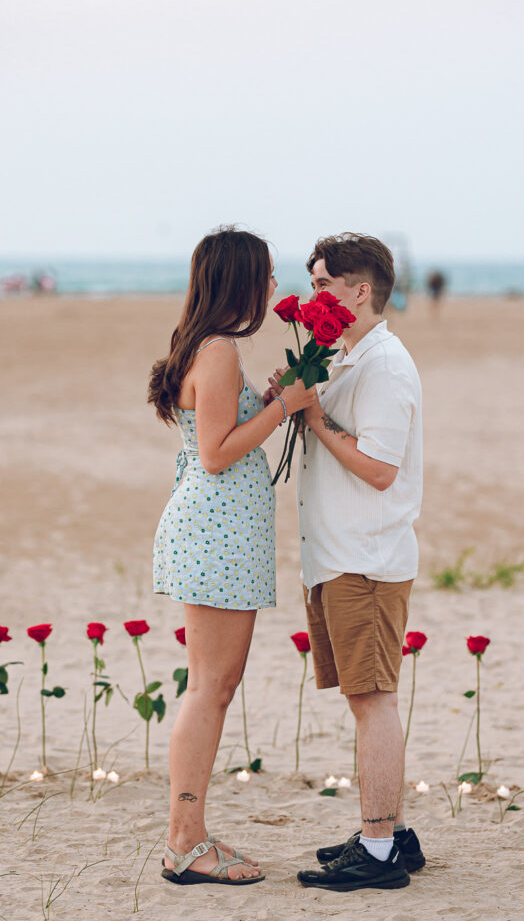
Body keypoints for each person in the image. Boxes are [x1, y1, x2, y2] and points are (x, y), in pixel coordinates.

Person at [148, 227, 315, 886]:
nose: (275, 286)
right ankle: (184, 842)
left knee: (211, 686)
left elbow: (216, 439)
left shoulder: (208, 346)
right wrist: (284, 407)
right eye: (267, 274)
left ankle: (187, 837)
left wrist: (275, 400)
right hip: (214, 530)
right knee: (210, 688)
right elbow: (218, 452)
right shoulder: (216, 350)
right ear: (241, 280)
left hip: (218, 530)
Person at [274, 232, 425, 892]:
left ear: (359, 291)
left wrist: (315, 417)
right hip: (337, 555)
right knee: (365, 699)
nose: (311, 297)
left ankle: (380, 847)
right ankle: (391, 832)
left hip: (365, 557)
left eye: (321, 285)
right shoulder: (343, 355)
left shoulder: (385, 365)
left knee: (372, 700)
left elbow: (381, 470)